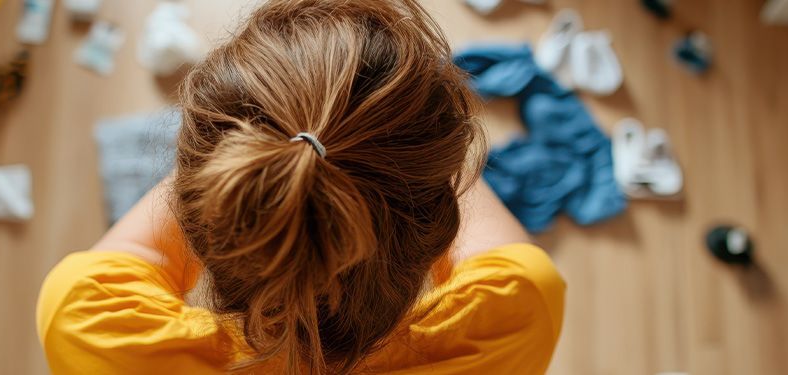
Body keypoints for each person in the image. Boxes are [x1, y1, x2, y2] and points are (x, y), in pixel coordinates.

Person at [36, 0, 566, 373]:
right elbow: (455, 179)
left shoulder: (92, 326)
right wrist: (401, 144)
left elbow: (140, 245)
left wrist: (252, 147)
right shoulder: (513, 317)